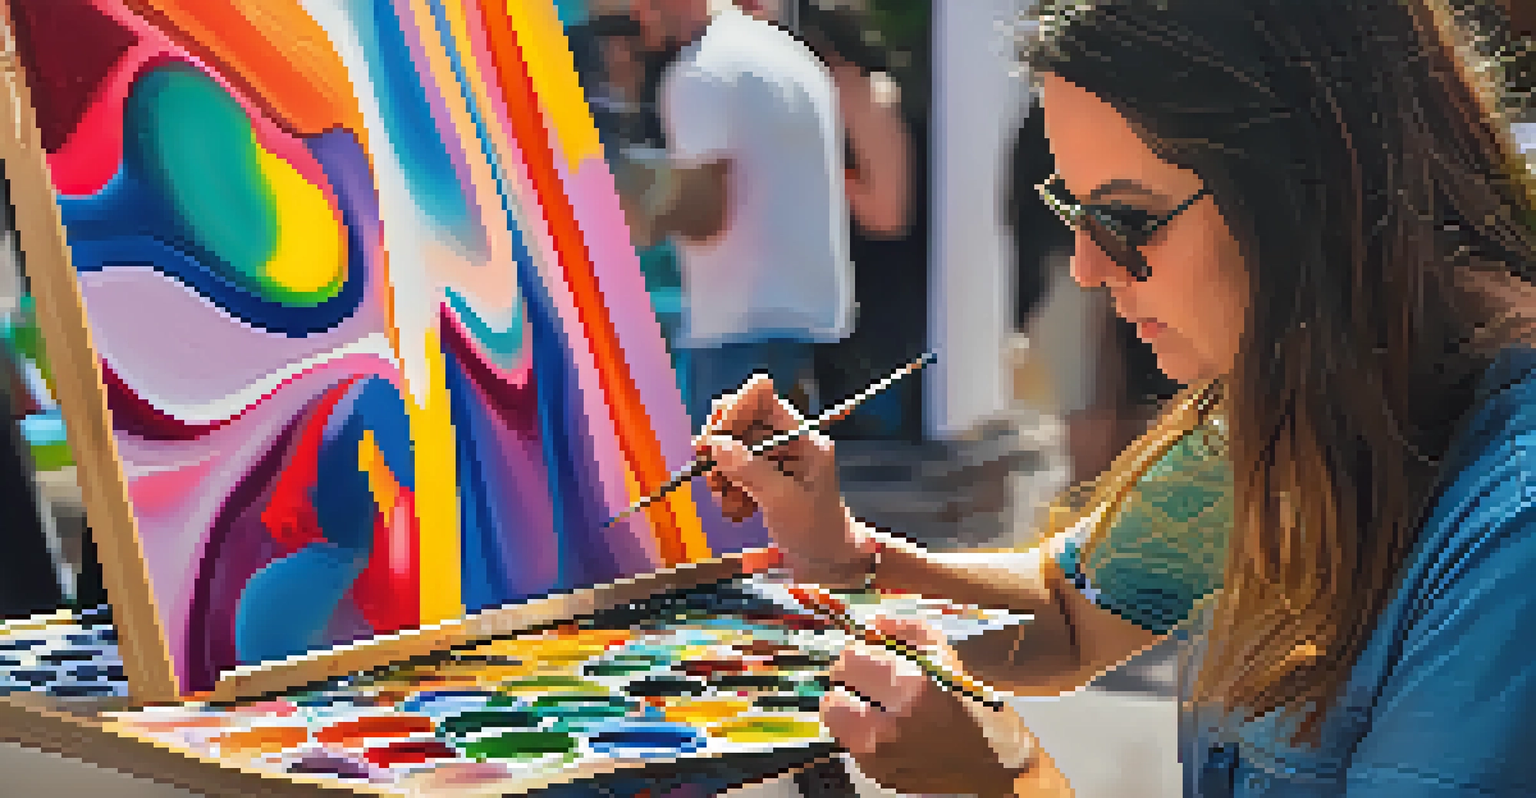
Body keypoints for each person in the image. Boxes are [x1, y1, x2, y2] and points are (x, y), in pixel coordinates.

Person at [696, 1, 1536, 795]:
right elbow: (1072, 611)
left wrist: (1006, 775)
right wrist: (845, 554)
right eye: (1071, 210)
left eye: (1128, 221)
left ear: (1315, 179)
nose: (1087, 269)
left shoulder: (1510, 529)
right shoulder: (1296, 396)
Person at [621, 0, 854, 427]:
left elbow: (706, 215)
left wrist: (625, 204)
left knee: (728, 491)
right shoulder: (788, 54)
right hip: (809, 325)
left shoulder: (700, 73)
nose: (634, 13)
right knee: (785, 487)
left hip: (738, 335)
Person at [797, 0, 928, 441]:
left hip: (880, 307)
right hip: (854, 305)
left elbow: (887, 214)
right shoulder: (851, 97)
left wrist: (819, 176)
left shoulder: (865, 97)